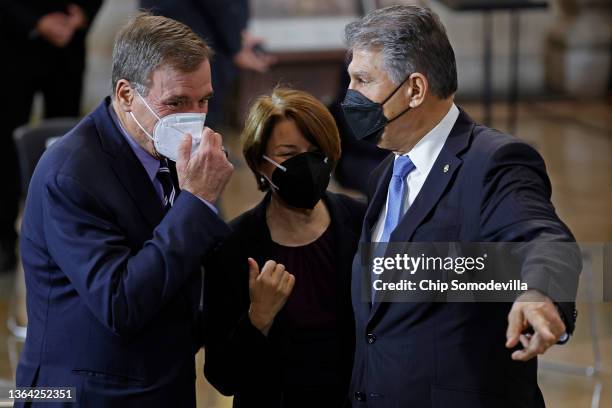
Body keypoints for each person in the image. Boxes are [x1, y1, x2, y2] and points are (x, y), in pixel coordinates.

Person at [340, 6, 581, 407]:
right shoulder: (386, 172)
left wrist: (539, 292)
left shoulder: (494, 162)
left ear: (415, 89)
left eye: (362, 80)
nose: (350, 95)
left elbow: (543, 237)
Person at [16, 14, 234, 407]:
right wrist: (197, 201)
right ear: (126, 94)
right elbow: (121, 304)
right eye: (176, 103)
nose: (195, 118)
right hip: (87, 392)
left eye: (203, 100)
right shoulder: (69, 176)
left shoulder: (169, 148)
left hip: (162, 377)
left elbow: (180, 278)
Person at [204, 88, 365, 407]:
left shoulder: (363, 223)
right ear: (260, 163)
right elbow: (222, 375)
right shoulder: (232, 246)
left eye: (316, 151)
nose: (306, 165)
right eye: (289, 154)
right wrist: (257, 318)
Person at [0, 0, 102, 272]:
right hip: (13, 43)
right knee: (7, 147)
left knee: (65, 146)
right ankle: (4, 238)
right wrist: (35, 21)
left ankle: (60, 239)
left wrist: (83, 14)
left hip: (68, 44)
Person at [140, 0, 275, 129]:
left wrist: (239, 38)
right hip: (198, 38)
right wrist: (236, 46)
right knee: (194, 116)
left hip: (172, 34)